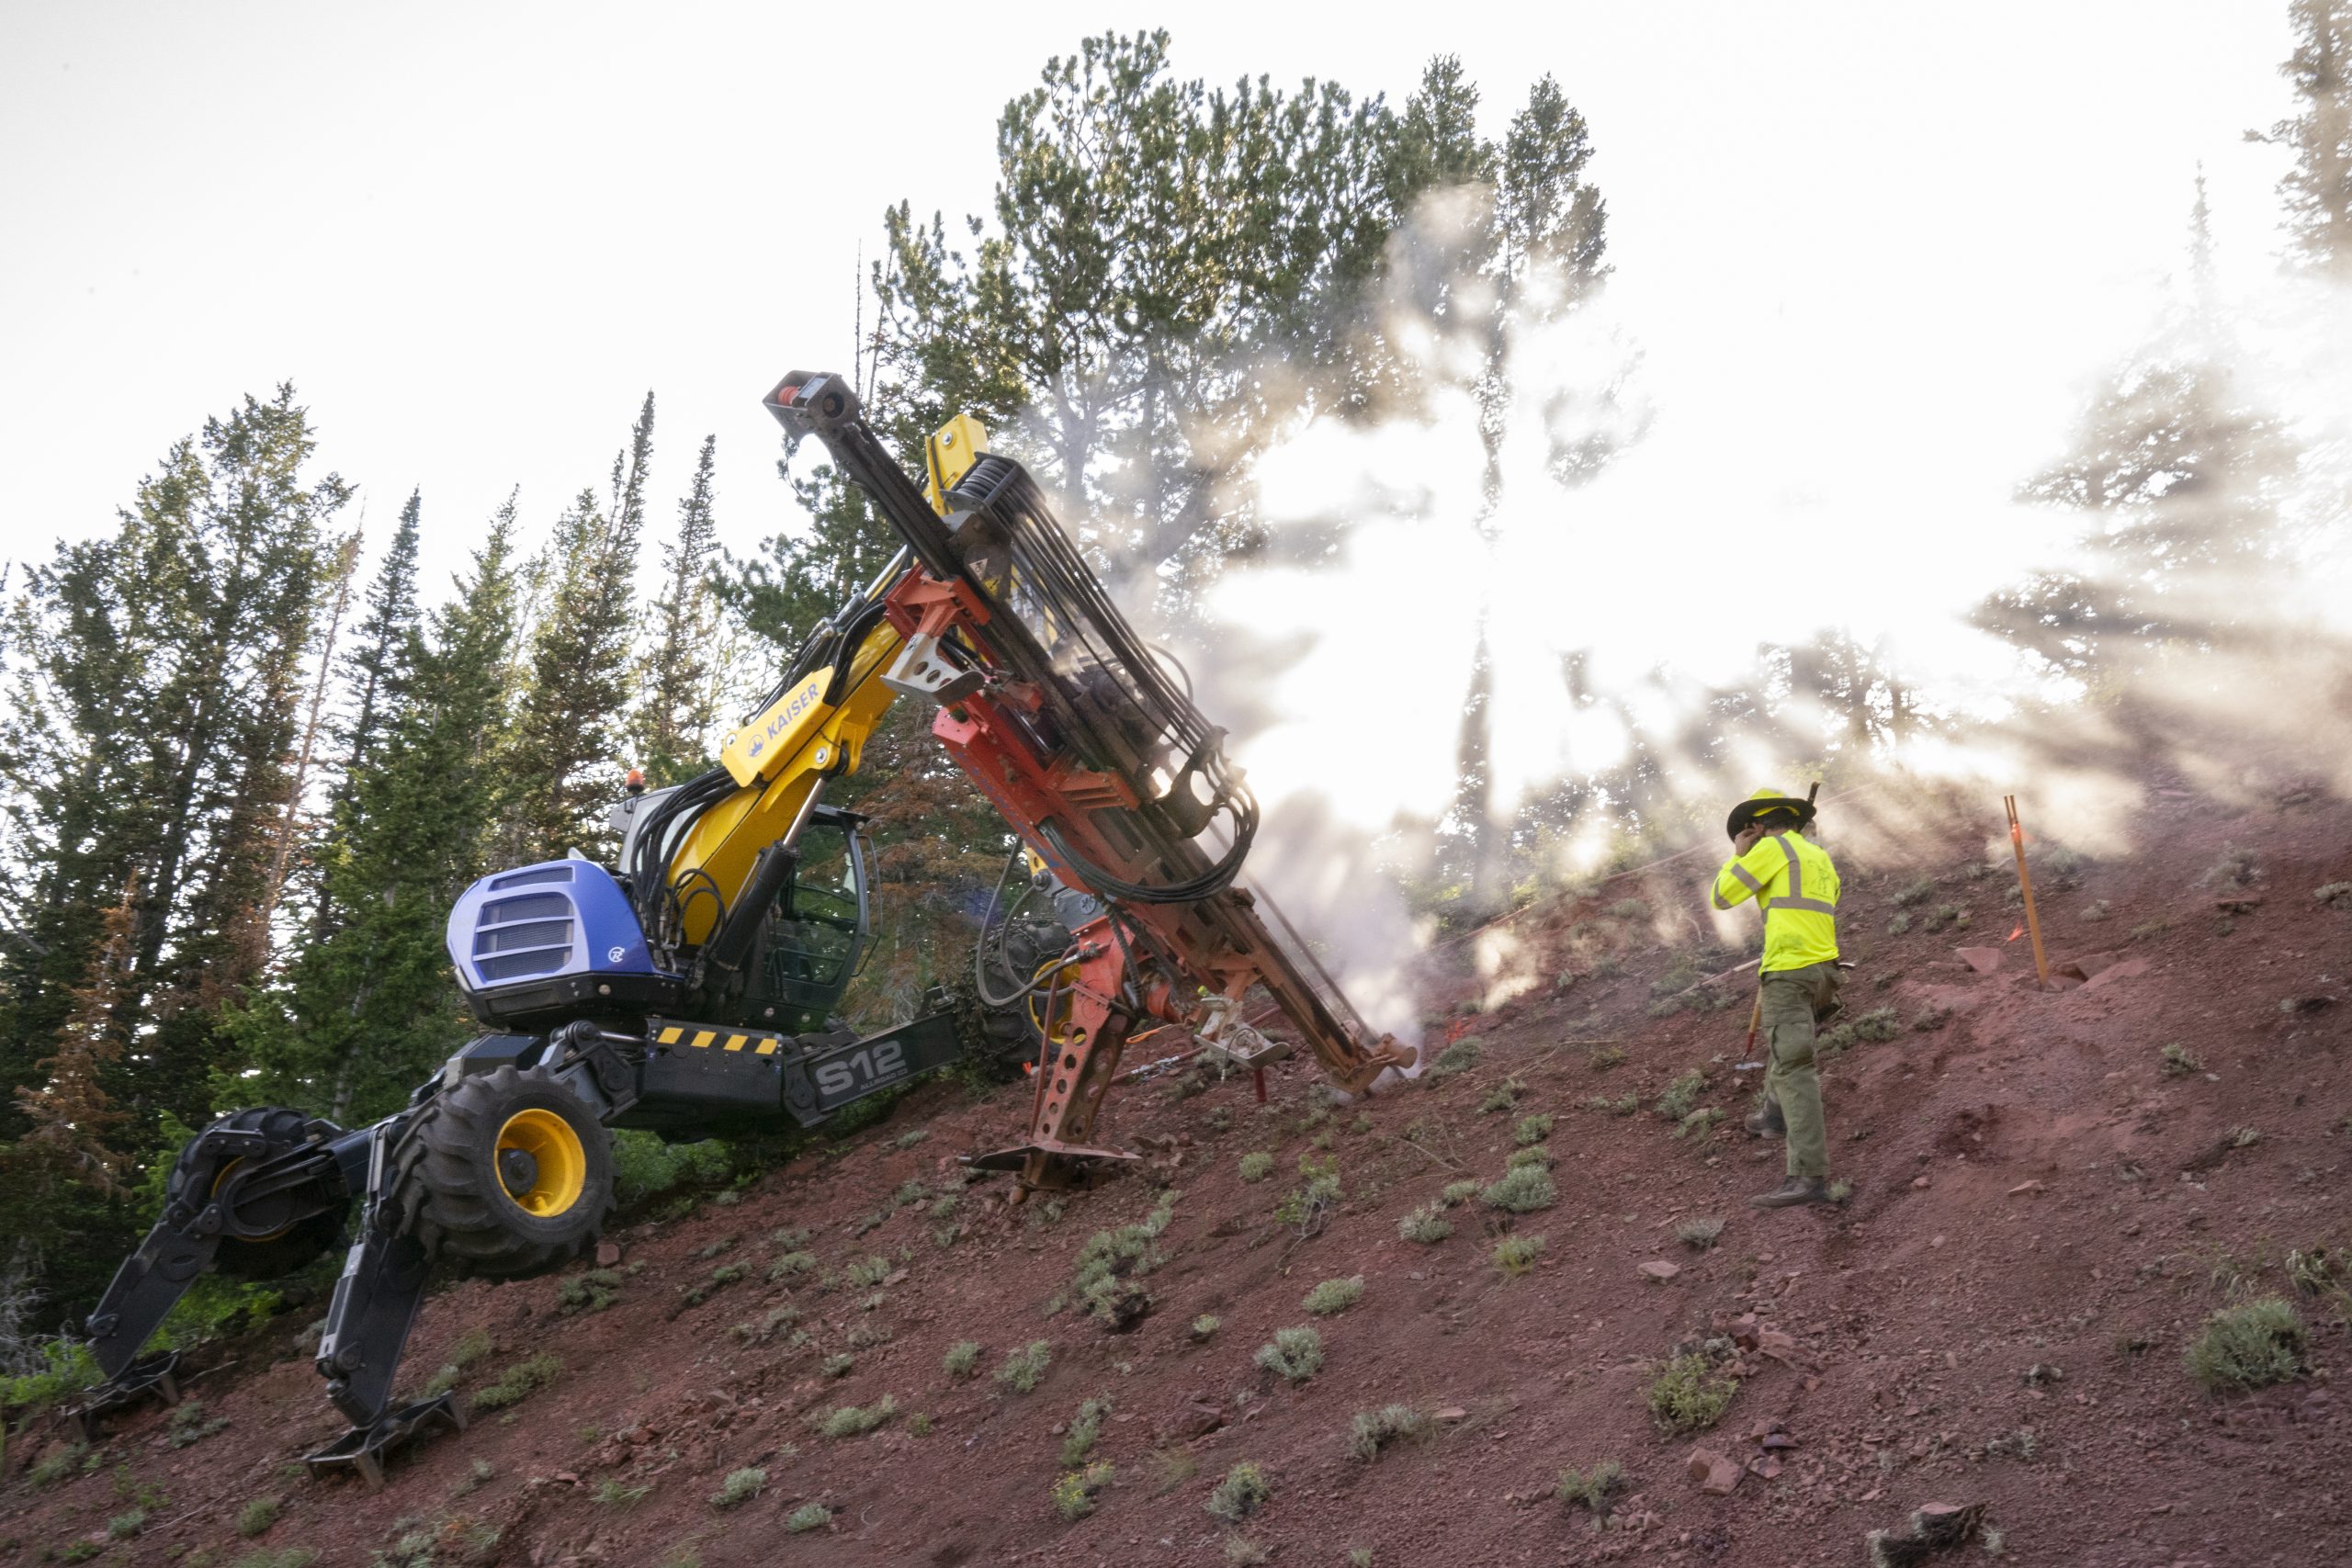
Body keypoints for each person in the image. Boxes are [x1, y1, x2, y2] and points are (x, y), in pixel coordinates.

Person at [1710, 787, 1842, 1210]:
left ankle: (1808, 1176)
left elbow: (1723, 896)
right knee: (1788, 1051)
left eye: (1751, 832)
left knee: (1795, 1068)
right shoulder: (1818, 856)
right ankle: (1772, 1116)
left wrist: (1738, 853)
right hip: (1824, 973)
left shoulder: (1773, 848)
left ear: (1760, 827)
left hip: (1789, 971)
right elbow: (1827, 899)